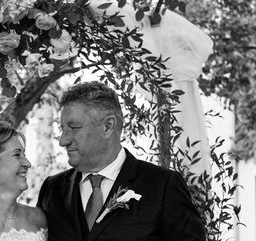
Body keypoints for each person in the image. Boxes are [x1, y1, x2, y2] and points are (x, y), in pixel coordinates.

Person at [37, 81, 205, 241]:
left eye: (74, 128)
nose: (63, 141)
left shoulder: (163, 186)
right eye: (62, 129)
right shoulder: (52, 190)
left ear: (108, 126)